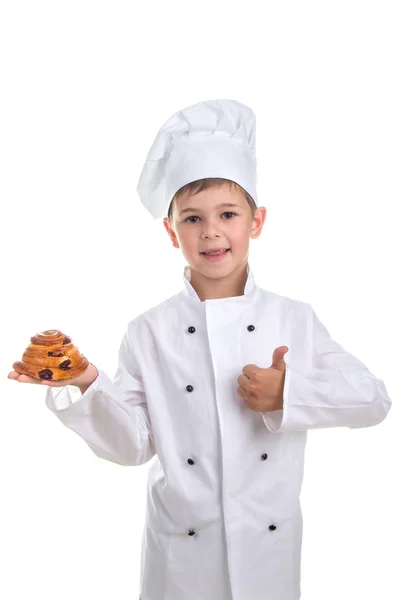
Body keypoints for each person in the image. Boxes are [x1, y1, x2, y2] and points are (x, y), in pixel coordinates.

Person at [8, 99, 392, 600]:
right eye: (192, 218)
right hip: (181, 559)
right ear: (171, 231)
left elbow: (374, 401)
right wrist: (86, 381)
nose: (210, 230)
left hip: (267, 557)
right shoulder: (148, 331)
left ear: (256, 222)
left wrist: (289, 392)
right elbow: (133, 446)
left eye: (227, 214)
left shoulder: (293, 320)